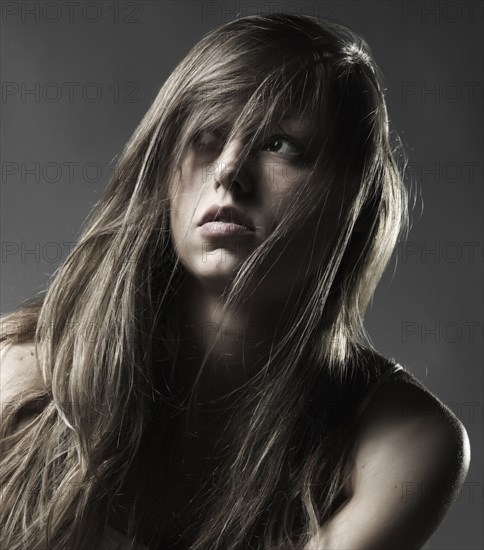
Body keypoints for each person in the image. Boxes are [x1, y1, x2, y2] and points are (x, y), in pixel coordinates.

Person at [0, 13, 470, 550]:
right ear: (161, 172)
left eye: (281, 145)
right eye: (207, 136)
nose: (229, 170)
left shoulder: (400, 441)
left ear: (351, 202)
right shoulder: (23, 374)